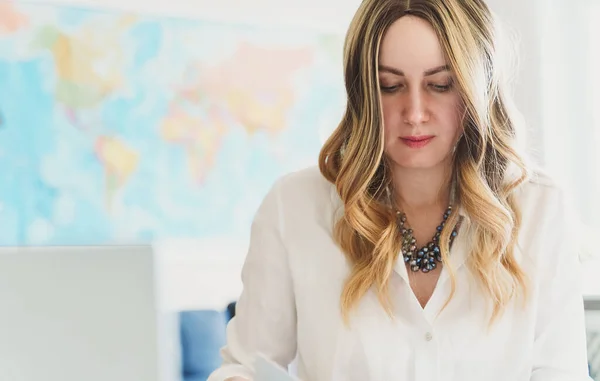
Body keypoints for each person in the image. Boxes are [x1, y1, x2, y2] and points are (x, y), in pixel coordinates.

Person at [208, 0, 592, 380]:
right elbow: (244, 366)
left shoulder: (540, 209)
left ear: (478, 89)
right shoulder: (293, 207)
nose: (415, 112)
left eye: (440, 85)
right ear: (362, 93)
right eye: (389, 86)